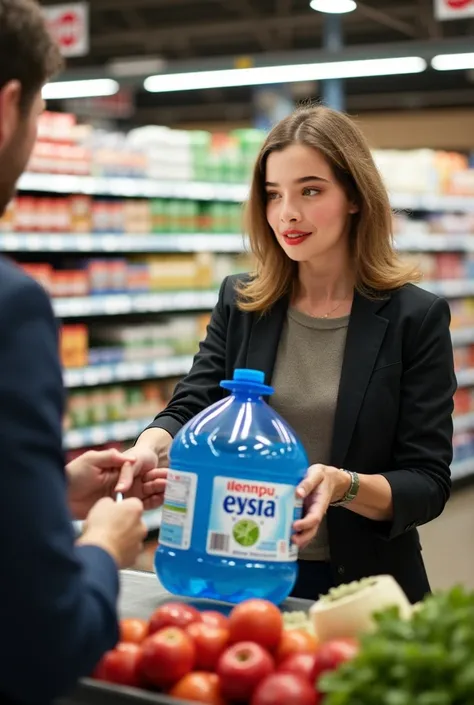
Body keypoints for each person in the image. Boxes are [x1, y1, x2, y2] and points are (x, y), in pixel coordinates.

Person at [129, 105, 457, 605]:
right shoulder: (242, 301)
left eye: (310, 190)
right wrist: (149, 445)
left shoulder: (415, 317)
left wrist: (342, 484)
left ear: (353, 196)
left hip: (361, 587)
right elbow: (193, 401)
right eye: (273, 195)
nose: (288, 213)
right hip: (237, 568)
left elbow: (427, 482)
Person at [0, 2, 164, 703]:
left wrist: (45, 496)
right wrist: (102, 544)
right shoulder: (12, 307)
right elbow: (43, 642)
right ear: (8, 110)